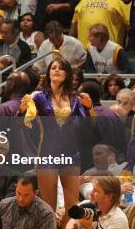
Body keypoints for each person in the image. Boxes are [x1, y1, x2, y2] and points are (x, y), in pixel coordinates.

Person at [20, 58, 94, 216]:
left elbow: (87, 126)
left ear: (67, 74)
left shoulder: (76, 98)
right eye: (53, 67)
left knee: (72, 207)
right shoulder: (39, 97)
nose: (56, 70)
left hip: (71, 156)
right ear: (48, 73)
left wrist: (89, 108)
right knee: (48, 207)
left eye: (61, 68)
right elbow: (26, 123)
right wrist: (22, 111)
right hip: (48, 155)